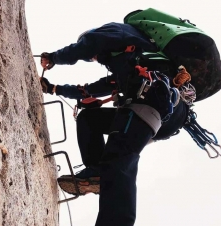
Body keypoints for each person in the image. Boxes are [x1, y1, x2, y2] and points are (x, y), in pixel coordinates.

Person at [39, 22, 192, 226]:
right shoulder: (126, 68)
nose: (93, 59)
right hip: (151, 108)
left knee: (118, 163)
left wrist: (53, 58)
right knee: (89, 120)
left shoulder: (116, 33)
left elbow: (90, 43)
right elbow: (89, 90)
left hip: (149, 104)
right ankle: (96, 172)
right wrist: (53, 89)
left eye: (91, 57)